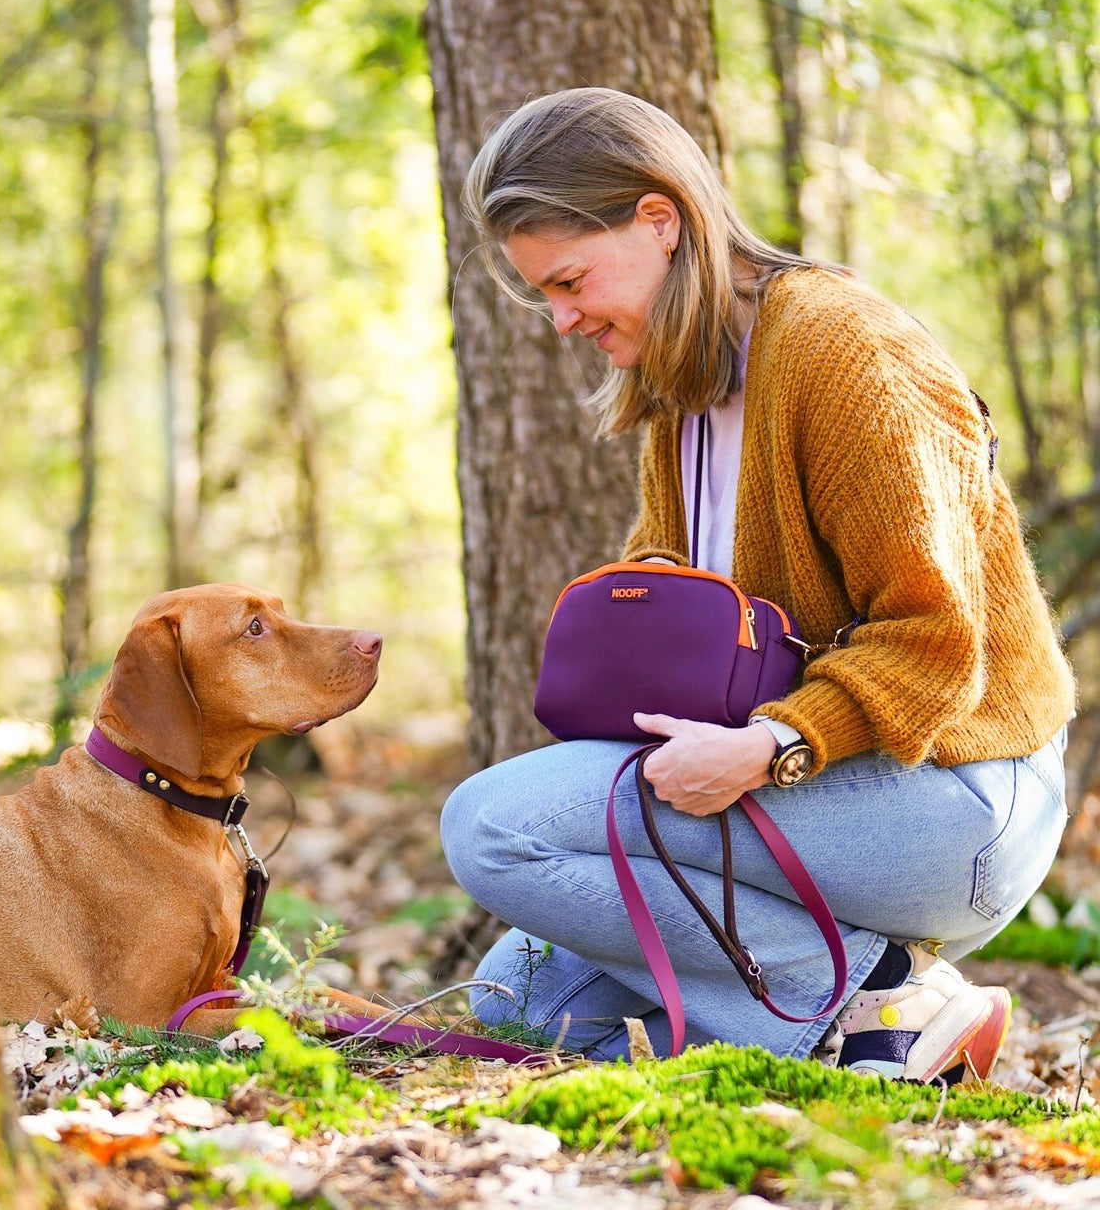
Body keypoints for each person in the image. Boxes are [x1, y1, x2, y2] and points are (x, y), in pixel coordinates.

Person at [439, 87, 1075, 1083]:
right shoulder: (680, 383)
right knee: (520, 1003)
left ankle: (885, 988)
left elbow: (935, 641)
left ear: (658, 218)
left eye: (568, 281)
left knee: (490, 825)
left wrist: (770, 742)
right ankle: (857, 1027)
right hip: (821, 782)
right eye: (542, 295)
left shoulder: (841, 352)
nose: (560, 320)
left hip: (959, 791)